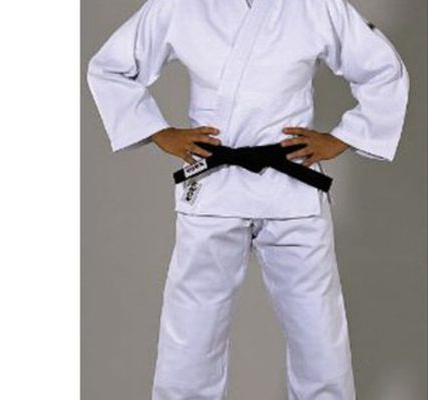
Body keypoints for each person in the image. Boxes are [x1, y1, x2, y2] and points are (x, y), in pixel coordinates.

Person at [87, 0, 409, 398]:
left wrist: (343, 138)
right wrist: (159, 132)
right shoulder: (183, 5)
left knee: (319, 333)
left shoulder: (315, 5)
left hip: (291, 186)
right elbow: (110, 67)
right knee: (190, 332)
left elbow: (383, 71)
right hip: (214, 186)